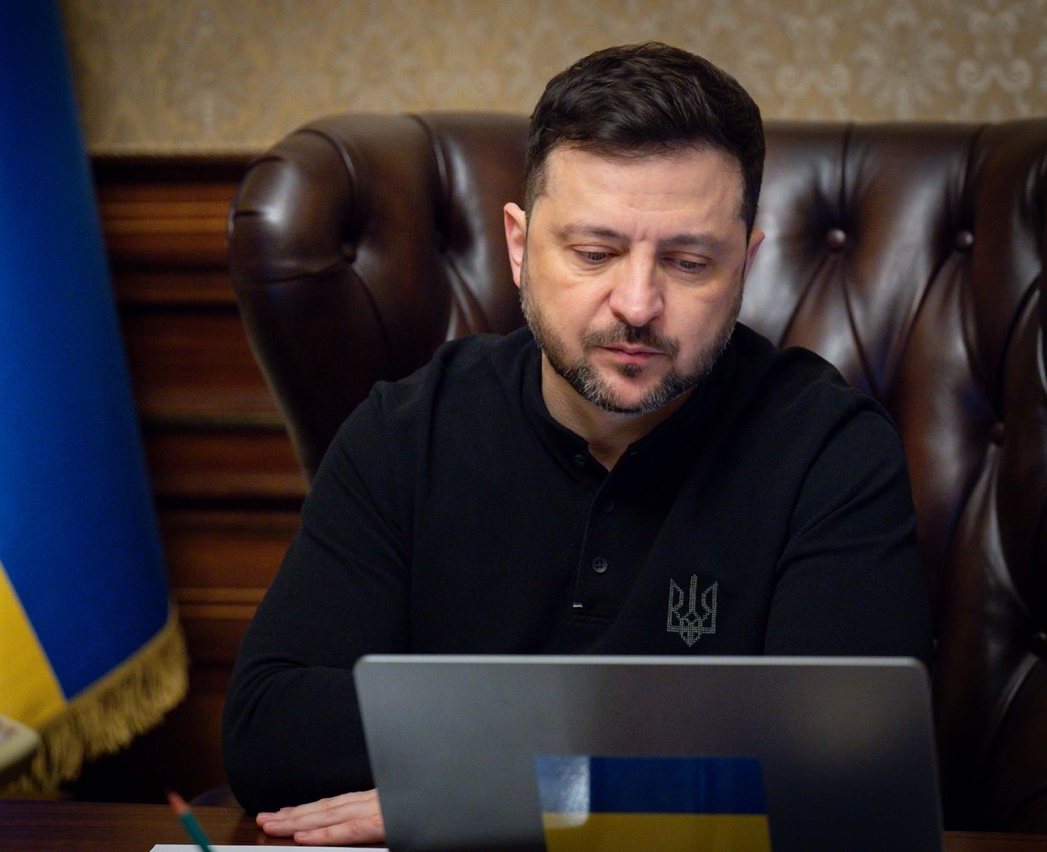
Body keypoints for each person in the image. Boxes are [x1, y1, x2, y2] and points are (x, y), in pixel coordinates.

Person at [222, 41, 933, 846]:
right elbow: (268, 732)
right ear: (521, 248)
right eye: (593, 254)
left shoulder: (830, 453)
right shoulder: (404, 431)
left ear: (746, 266)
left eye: (689, 261)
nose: (636, 303)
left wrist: (504, 796)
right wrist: (647, 769)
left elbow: (844, 778)